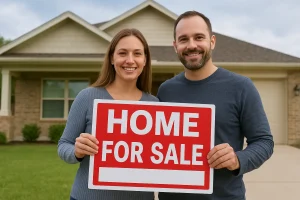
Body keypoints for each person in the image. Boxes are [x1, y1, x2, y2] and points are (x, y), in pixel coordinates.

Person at [157, 11, 274, 200]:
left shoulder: (241, 87)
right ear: (175, 46)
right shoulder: (166, 91)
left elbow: (264, 142)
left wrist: (237, 159)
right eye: (184, 39)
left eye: (199, 37)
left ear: (212, 41)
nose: (192, 45)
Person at [58, 28, 158, 200]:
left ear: (145, 60)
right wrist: (77, 151)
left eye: (137, 54)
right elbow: (64, 145)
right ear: (112, 58)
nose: (130, 60)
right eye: (122, 53)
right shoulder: (87, 97)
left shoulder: (155, 105)